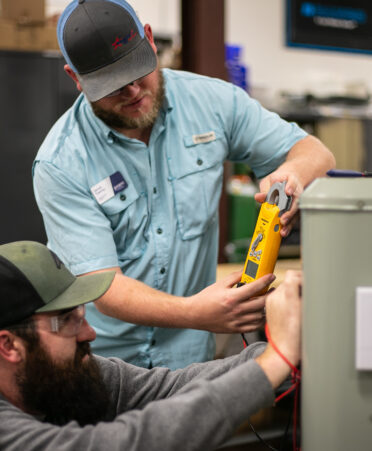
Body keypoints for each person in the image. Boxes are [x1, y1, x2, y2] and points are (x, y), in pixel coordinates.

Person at [32, 0, 335, 369]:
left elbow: (316, 153)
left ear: (149, 39)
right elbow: (105, 288)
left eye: (137, 71)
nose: (132, 92)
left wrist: (294, 175)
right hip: (105, 368)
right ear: (75, 78)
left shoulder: (212, 102)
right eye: (112, 85)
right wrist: (196, 313)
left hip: (192, 362)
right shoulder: (61, 161)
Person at [0, 241, 302, 451]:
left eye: (82, 315)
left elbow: (173, 388)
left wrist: (295, 346)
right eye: (67, 322)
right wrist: (275, 361)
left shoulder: (68, 374)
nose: (89, 334)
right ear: (9, 345)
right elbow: (129, 443)